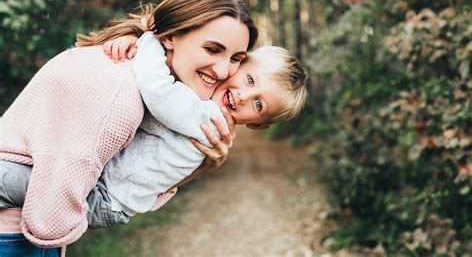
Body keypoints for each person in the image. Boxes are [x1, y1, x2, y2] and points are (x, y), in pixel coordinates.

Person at [0, 0, 258, 255]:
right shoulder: (122, 95)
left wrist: (199, 168)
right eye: (212, 49)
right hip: (16, 236)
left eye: (236, 58)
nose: (222, 71)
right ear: (170, 37)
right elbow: (56, 201)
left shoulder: (134, 67)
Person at [0, 31, 308, 228]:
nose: (243, 95)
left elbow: (156, 90)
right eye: (250, 80)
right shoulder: (200, 108)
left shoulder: (206, 118)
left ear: (257, 124)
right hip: (111, 197)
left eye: (258, 104)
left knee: (13, 180)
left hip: (103, 197)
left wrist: (148, 41)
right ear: (239, 64)